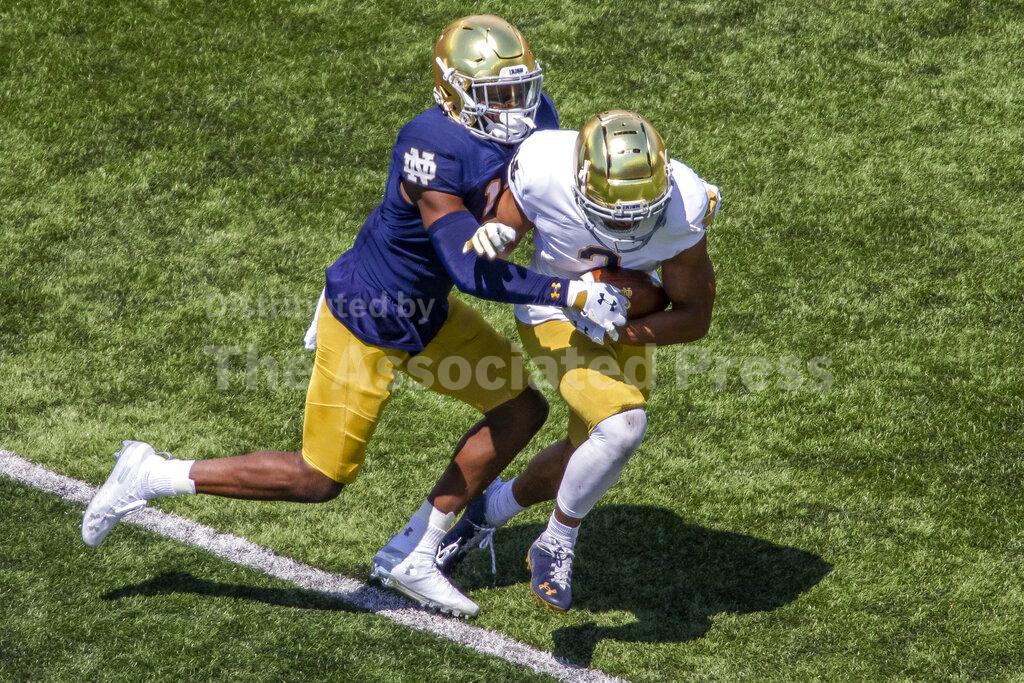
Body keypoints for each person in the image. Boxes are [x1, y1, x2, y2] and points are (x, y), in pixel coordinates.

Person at [80, 16, 627, 620]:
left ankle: (413, 554)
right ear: (451, 91)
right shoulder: (431, 146)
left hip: (427, 308)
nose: (517, 108)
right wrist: (564, 291)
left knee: (520, 407)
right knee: (319, 478)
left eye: (520, 90)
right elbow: (469, 267)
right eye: (498, 94)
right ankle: (150, 472)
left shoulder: (536, 114)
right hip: (372, 312)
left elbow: (528, 195)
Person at [431, 110, 721, 611]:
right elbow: (509, 223)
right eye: (615, 207)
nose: (628, 220)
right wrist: (500, 232)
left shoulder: (684, 205)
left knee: (588, 450)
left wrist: (620, 327)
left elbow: (694, 317)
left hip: (624, 319)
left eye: (641, 208)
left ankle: (489, 513)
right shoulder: (545, 166)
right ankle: (557, 539)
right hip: (554, 309)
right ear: (581, 178)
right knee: (623, 427)